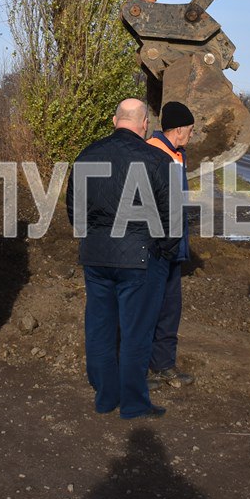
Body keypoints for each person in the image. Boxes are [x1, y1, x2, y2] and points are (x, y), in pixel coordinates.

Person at [67, 98, 177, 419]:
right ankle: (133, 403)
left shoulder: (86, 156)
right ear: (144, 124)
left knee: (99, 328)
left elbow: (75, 212)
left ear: (115, 120)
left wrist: (95, 238)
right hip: (140, 257)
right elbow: (171, 220)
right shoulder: (157, 160)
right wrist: (164, 253)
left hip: (97, 256)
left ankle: (104, 397)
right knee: (136, 333)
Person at [147, 101, 196, 391]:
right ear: (178, 130)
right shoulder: (153, 152)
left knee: (169, 309)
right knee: (148, 309)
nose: (192, 134)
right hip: (156, 247)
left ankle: (164, 365)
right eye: (190, 130)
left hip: (173, 245)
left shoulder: (177, 153)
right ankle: (142, 367)